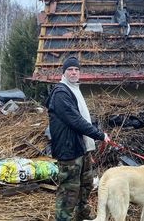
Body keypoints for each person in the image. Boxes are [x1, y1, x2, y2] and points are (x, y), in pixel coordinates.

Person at [45, 56, 110, 221]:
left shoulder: (74, 89)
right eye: (70, 70)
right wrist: (99, 135)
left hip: (81, 148)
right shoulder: (61, 93)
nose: (73, 72)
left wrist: (90, 145)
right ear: (64, 72)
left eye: (76, 69)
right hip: (69, 151)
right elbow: (76, 120)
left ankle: (82, 216)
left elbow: (84, 118)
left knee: (86, 185)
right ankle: (63, 218)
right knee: (69, 190)